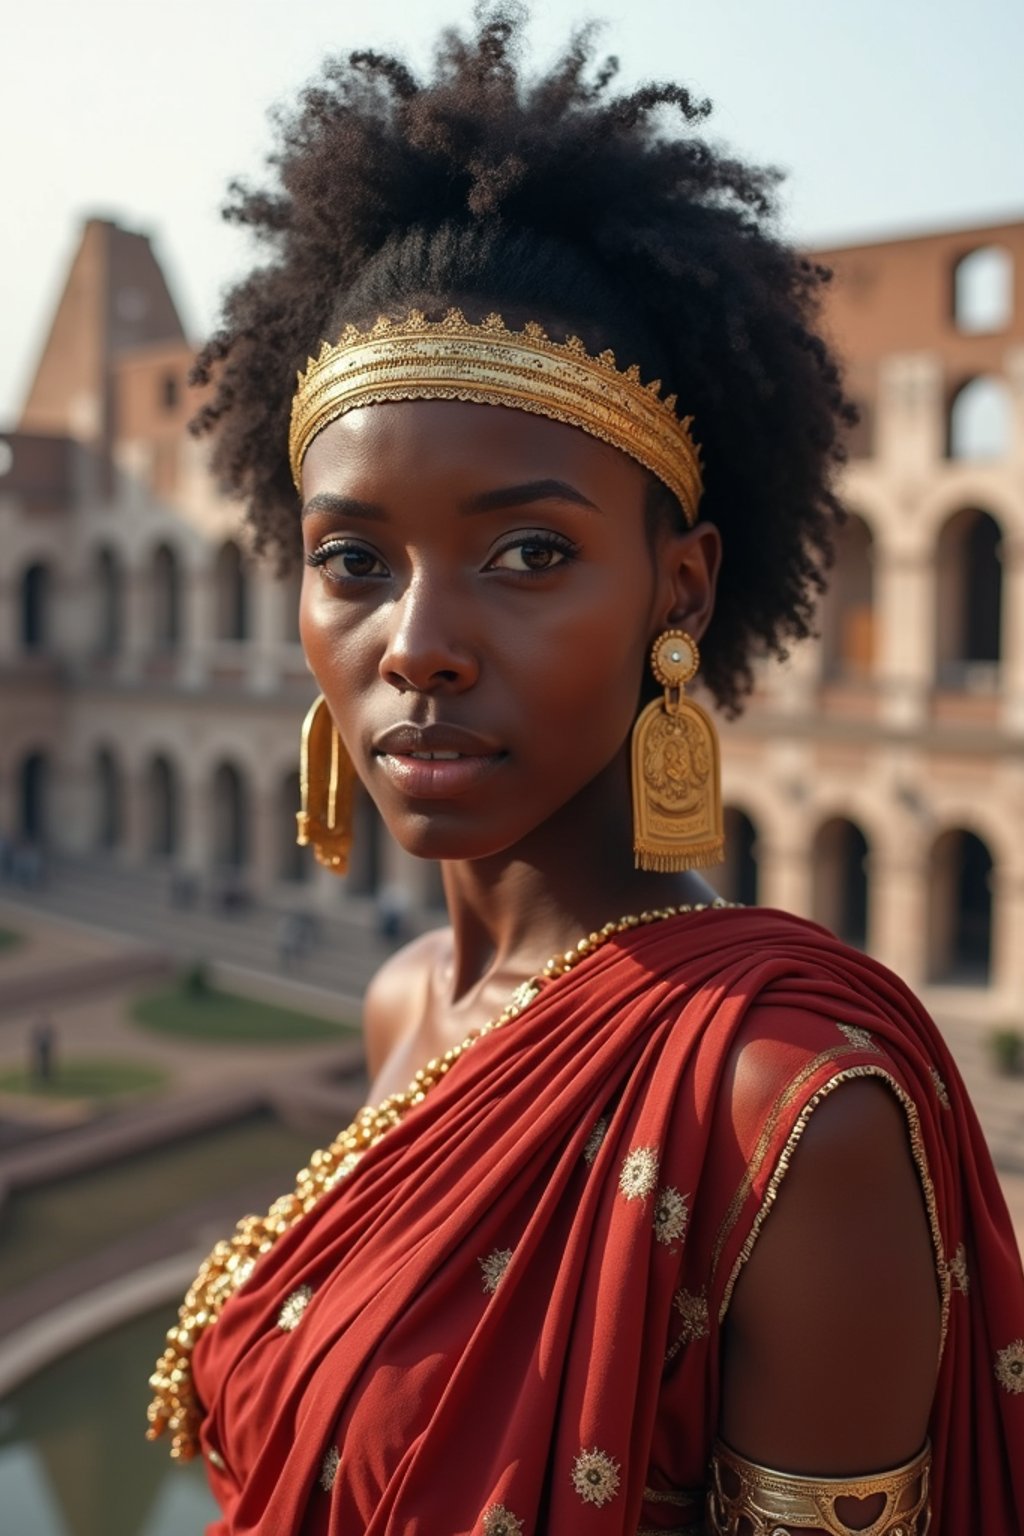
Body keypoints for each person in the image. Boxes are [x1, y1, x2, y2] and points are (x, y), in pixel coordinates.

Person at [147, 11, 1024, 1533]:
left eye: (529, 553)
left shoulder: (797, 1113)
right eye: (352, 558)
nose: (417, 642)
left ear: (678, 594)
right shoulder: (406, 999)